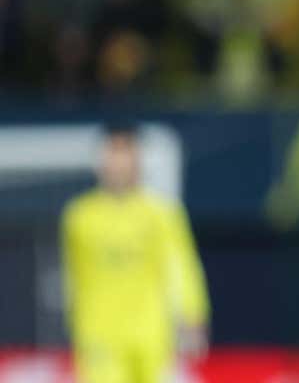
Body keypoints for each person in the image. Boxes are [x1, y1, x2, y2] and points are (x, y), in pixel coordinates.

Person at [61, 125, 210, 383]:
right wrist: (74, 324)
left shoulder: (162, 214)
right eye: (112, 153)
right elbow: (73, 276)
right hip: (100, 334)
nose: (118, 162)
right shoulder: (79, 216)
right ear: (101, 161)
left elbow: (182, 266)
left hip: (151, 332)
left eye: (125, 152)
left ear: (137, 160)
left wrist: (193, 314)